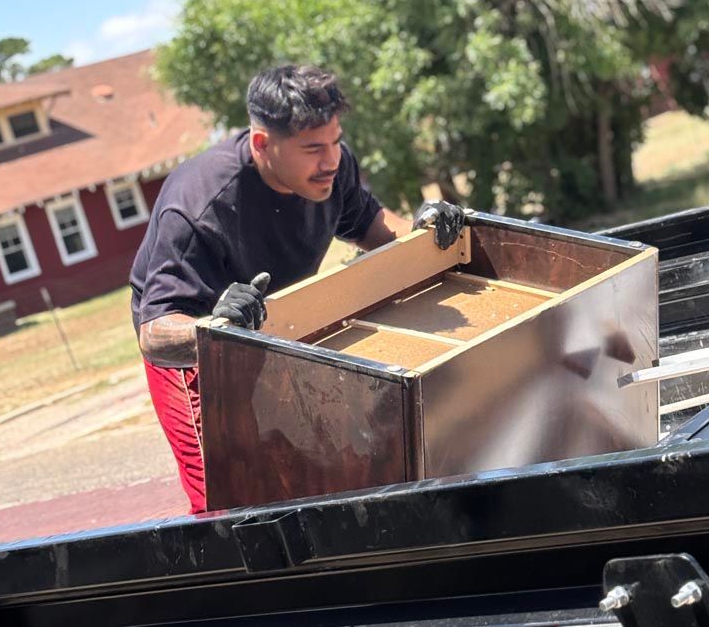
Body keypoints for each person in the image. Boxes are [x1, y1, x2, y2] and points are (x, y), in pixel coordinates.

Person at [129, 64, 464, 512]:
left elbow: (374, 227)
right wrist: (214, 326)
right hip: (195, 357)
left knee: (303, 471)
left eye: (335, 141)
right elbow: (154, 336)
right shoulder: (199, 208)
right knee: (230, 501)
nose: (330, 160)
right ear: (263, 144)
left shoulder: (331, 167)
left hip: (273, 327)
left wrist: (427, 229)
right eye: (312, 149)